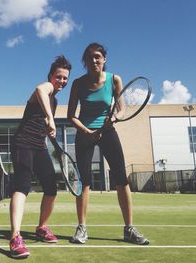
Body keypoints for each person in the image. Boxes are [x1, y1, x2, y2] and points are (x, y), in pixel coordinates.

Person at [67, 43, 149, 245]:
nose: (94, 60)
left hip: (108, 132)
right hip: (84, 134)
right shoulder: (77, 83)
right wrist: (87, 131)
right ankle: (82, 228)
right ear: (85, 62)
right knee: (84, 183)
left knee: (121, 179)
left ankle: (129, 228)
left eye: (97, 57)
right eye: (89, 58)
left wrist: (113, 119)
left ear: (104, 59)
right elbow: (71, 116)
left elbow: (121, 110)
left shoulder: (114, 80)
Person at [9, 55, 72, 258]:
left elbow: (42, 124)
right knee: (22, 187)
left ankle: (41, 227)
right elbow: (39, 90)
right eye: (59, 77)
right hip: (23, 144)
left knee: (51, 189)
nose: (61, 81)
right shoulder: (46, 88)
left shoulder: (55, 101)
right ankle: (15, 237)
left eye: (65, 79)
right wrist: (50, 119)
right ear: (51, 76)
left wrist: (48, 130)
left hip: (39, 147)